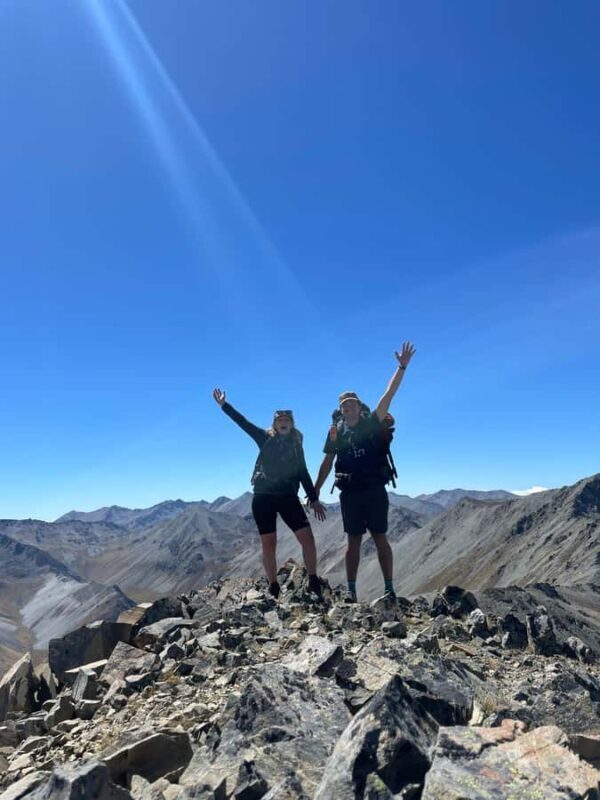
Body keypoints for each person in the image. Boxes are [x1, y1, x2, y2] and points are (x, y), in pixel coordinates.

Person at [314, 342, 416, 601]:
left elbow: (389, 394)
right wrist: (315, 490)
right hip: (350, 492)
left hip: (374, 489)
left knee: (380, 538)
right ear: (341, 410)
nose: (348, 408)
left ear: (360, 407)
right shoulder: (336, 432)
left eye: (352, 404)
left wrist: (401, 367)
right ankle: (351, 591)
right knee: (354, 541)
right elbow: (327, 461)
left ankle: (389, 589)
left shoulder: (372, 423)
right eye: (345, 405)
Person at [213, 388, 326, 598]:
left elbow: (303, 472)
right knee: (269, 543)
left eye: (287, 419)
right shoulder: (264, 438)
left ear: (292, 424)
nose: (283, 422)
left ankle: (313, 579)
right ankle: (273, 586)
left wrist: (314, 499)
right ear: (274, 424)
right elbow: (243, 423)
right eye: (279, 419)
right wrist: (224, 406)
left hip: (288, 497)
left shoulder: (296, 445)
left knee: (307, 538)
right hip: (264, 497)